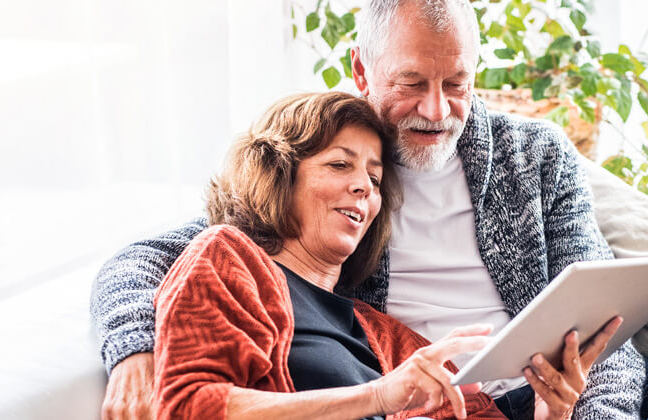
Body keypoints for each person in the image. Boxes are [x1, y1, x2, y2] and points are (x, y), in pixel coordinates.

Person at [93, 1, 648, 419]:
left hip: (557, 393)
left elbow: (607, 329)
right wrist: (133, 349)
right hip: (440, 404)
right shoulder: (329, 165)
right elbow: (159, 257)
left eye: (457, 84)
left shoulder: (537, 156)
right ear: (362, 71)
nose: (437, 112)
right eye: (411, 83)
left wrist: (581, 415)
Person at [151, 91, 618, 420]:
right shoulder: (228, 260)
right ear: (276, 174)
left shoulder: (384, 334)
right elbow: (187, 406)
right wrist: (378, 396)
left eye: (375, 180)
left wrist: (552, 415)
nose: (363, 187)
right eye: (339, 164)